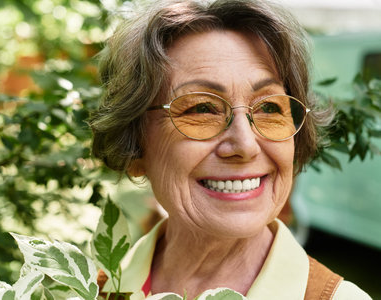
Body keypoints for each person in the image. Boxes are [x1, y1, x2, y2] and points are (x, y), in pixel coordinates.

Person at [89, 0, 372, 299]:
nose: (246, 145)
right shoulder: (103, 288)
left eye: (268, 108)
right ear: (134, 145)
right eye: (202, 109)